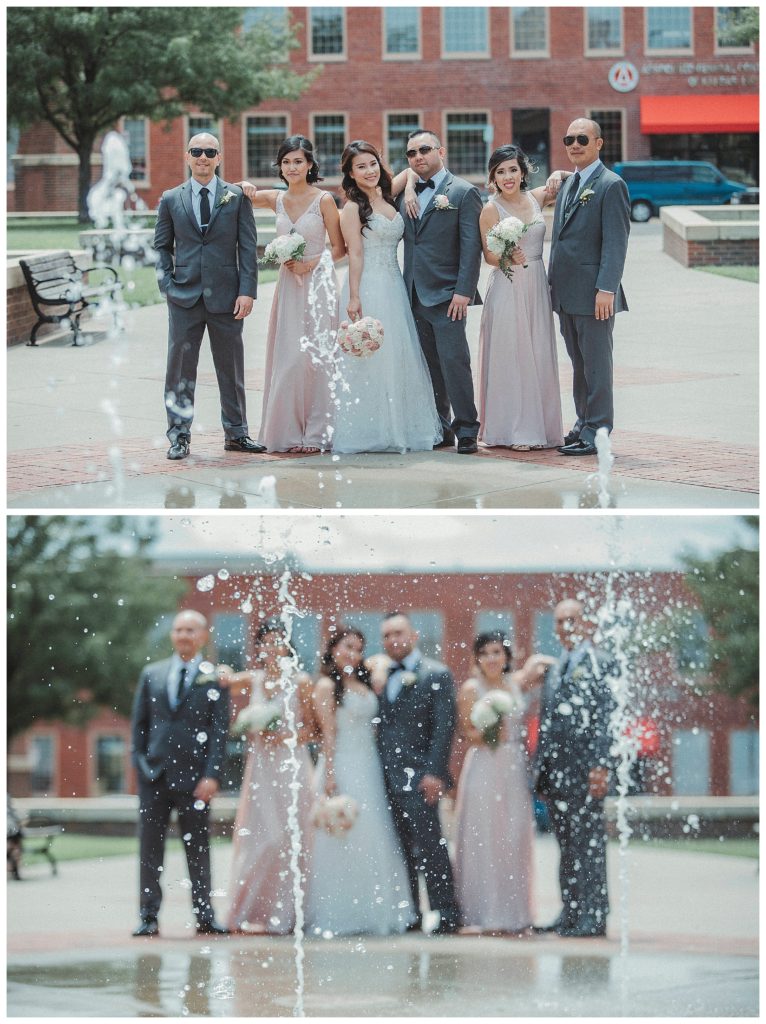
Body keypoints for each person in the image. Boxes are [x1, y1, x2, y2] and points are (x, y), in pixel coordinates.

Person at [154, 132, 264, 461]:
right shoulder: (171, 199)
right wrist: (168, 287)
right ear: (187, 156)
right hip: (184, 298)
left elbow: (247, 247)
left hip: (228, 299)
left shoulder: (237, 196)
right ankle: (179, 435)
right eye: (196, 151)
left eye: (210, 152)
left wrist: (247, 291)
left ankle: (237, 433)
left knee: (231, 368)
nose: (203, 157)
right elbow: (161, 247)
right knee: (180, 371)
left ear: (219, 158)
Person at [305, 625, 416, 936]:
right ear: (331, 650)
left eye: (357, 648)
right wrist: (328, 776)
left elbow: (380, 661)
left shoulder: (364, 681)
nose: (351, 654)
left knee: (375, 834)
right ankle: (341, 912)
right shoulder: (327, 686)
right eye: (345, 647)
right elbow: (327, 733)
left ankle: (376, 909)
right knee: (342, 838)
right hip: (341, 765)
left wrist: (377, 667)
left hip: (369, 767)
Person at [334, 140, 443, 453]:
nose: (368, 171)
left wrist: (408, 191)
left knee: (398, 355)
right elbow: (354, 253)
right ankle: (370, 431)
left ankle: (400, 428)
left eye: (372, 164)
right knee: (370, 360)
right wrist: (354, 297)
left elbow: (412, 169)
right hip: (367, 285)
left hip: (395, 285)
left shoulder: (388, 193)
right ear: (350, 174)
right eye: (360, 167)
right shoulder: (352, 208)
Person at [241, 136, 346, 454]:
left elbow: (340, 249)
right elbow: (234, 193)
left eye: (298, 161)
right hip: (288, 288)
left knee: (317, 358)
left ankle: (318, 432)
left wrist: (311, 263)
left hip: (319, 283)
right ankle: (287, 432)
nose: (292, 167)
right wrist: (244, 184)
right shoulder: (276, 199)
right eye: (286, 162)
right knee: (290, 358)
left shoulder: (324, 200)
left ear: (310, 165)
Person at [130, 610, 230, 937]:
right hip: (154, 777)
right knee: (149, 850)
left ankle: (205, 915)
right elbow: (140, 726)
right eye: (178, 629)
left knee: (198, 848)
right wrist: (142, 766)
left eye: (190, 630)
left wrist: (212, 775)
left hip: (196, 781)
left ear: (203, 635)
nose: (183, 635)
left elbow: (219, 733)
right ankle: (148, 917)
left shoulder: (215, 677)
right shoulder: (151, 674)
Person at [453, 631, 555, 934]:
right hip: (484, 765)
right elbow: (465, 733)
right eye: (484, 653)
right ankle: (483, 912)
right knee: (483, 837)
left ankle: (515, 913)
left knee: (513, 836)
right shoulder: (472, 688)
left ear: (507, 656)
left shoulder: (515, 684)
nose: (491, 659)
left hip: (512, 766)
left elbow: (544, 664)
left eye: (497, 652)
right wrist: (489, 727)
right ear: (477, 659)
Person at [223, 620, 315, 934]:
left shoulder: (300, 681)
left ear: (287, 647)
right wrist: (222, 669)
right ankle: (250, 911)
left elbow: (312, 728)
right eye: (266, 642)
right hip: (261, 768)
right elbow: (224, 680)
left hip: (291, 767)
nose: (272, 648)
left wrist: (286, 736)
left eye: (278, 642)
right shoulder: (254, 679)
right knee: (259, 837)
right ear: (259, 648)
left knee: (290, 838)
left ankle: (288, 914)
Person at [533, 599, 617, 937]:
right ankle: (571, 909)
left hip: (587, 770)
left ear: (585, 624)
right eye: (559, 621)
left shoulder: (602, 663)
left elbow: (607, 718)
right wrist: (541, 769)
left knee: (589, 845)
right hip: (557, 773)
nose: (565, 626)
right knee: (566, 843)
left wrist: (601, 765)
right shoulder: (555, 668)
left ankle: (594, 914)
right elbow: (548, 722)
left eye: (572, 620)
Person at [548, 118, 630, 457]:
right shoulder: (569, 183)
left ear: (599, 143)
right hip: (566, 294)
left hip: (595, 295)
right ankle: (583, 424)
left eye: (583, 138)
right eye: (569, 139)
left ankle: (598, 431)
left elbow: (616, 242)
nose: (575, 144)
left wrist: (606, 290)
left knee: (597, 366)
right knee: (579, 364)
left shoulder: (611, 185)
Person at [397, 130, 483, 455]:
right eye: (411, 153)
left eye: (424, 149)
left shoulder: (462, 192)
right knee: (429, 366)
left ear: (441, 151)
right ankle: (441, 428)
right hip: (414, 294)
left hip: (449, 296)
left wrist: (464, 291)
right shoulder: (405, 196)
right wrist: (407, 183)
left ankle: (468, 429)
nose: (418, 156)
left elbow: (471, 247)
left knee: (454, 363)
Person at [376, 611, 461, 933]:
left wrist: (435, 773)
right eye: (386, 635)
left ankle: (447, 912)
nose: (392, 640)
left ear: (413, 636)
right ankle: (411, 912)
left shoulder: (436, 673)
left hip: (422, 778)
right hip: (386, 778)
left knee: (431, 848)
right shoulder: (382, 677)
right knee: (400, 850)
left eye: (398, 633)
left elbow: (444, 727)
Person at [477, 145, 564, 450]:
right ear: (493, 177)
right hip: (507, 285)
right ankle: (512, 429)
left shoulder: (536, 198)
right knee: (511, 355)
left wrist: (557, 173)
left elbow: (569, 179)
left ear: (523, 171)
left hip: (536, 285)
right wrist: (505, 256)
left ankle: (541, 427)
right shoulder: (490, 209)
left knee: (537, 352)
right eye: (500, 172)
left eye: (513, 169)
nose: (508, 176)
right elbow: (488, 256)